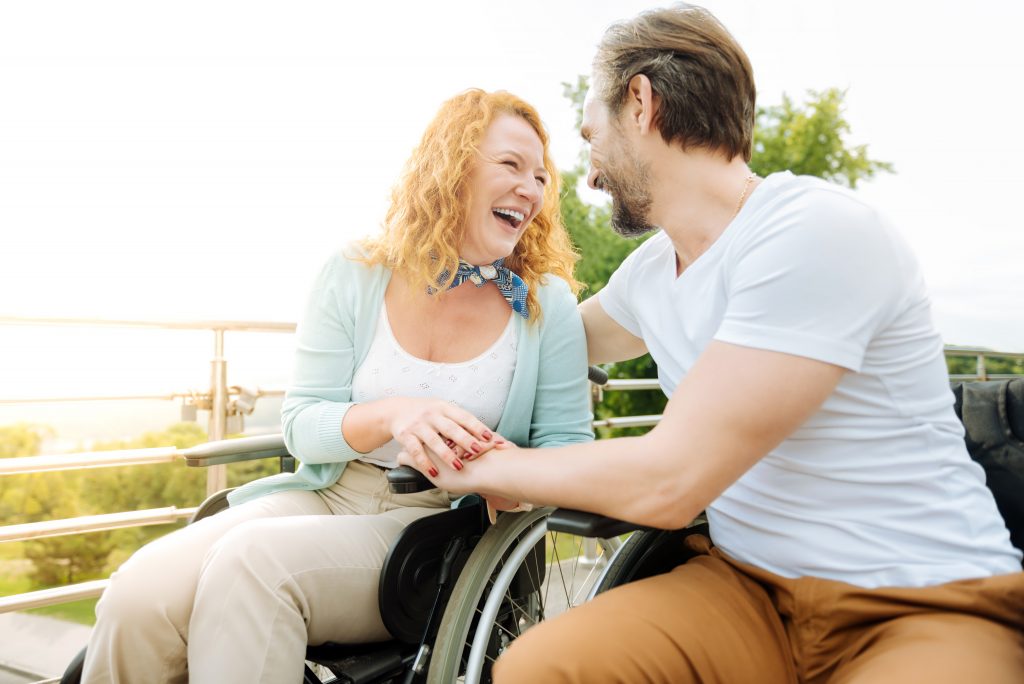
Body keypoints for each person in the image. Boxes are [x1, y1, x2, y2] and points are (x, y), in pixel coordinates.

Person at [397, 6, 1024, 683]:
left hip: (919, 601)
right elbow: (542, 341)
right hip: (746, 589)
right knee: (543, 669)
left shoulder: (814, 232)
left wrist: (483, 467)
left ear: (640, 102)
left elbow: (670, 480)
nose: (589, 169)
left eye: (590, 134)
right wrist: (411, 338)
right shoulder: (650, 273)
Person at [81, 88, 593, 683]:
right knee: (137, 595)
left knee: (253, 568)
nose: (531, 190)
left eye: (540, 176)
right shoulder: (355, 273)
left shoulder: (544, 303)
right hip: (327, 491)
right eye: (510, 165)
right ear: (452, 164)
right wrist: (395, 413)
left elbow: (567, 455)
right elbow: (301, 425)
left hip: (438, 526)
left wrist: (505, 473)